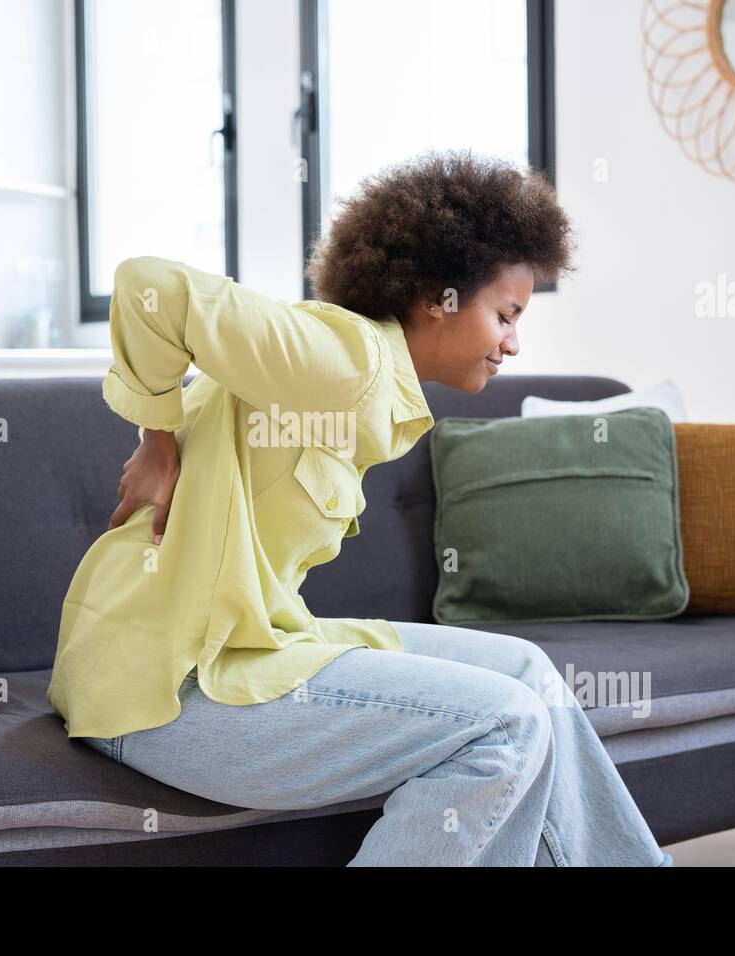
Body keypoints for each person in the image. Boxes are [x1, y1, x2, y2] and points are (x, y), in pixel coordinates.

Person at [47, 148, 673, 866]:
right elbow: (146, 286)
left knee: (527, 673)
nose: (513, 341)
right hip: (159, 687)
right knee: (504, 723)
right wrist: (157, 444)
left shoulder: (377, 390)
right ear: (436, 296)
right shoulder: (347, 359)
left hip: (249, 643)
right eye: (505, 313)